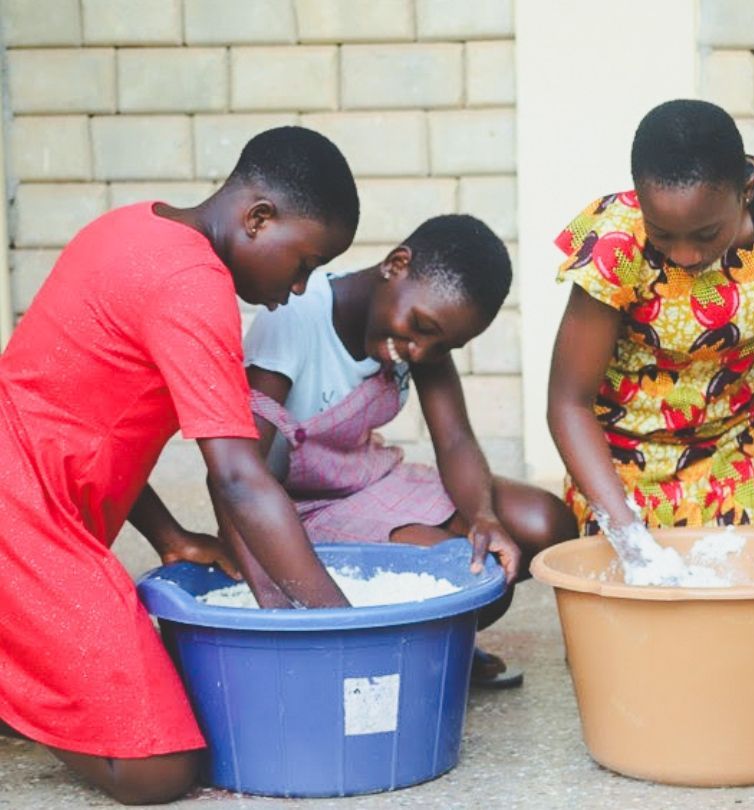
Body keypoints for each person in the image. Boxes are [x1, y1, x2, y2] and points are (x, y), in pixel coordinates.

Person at [0, 126, 360, 804]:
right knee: (158, 767)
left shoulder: (135, 227)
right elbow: (237, 477)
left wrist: (166, 534)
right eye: (304, 260)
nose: (301, 284)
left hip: (38, 509)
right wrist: (339, 628)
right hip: (21, 519)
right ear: (259, 218)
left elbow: (92, 422)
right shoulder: (192, 286)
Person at [241, 213, 579, 687]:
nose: (419, 351)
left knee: (544, 524)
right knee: (465, 575)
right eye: (421, 327)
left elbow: (455, 438)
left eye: (442, 345)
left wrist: (483, 516)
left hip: (369, 478)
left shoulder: (422, 335)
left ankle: (435, 637)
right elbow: (242, 471)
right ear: (396, 264)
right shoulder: (296, 317)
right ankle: (427, 646)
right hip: (300, 507)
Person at [548, 99, 754, 545]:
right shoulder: (616, 246)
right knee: (641, 602)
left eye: (706, 234)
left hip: (734, 451)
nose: (685, 256)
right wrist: (631, 539)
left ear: (745, 192)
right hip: (622, 469)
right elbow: (568, 405)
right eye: (662, 233)